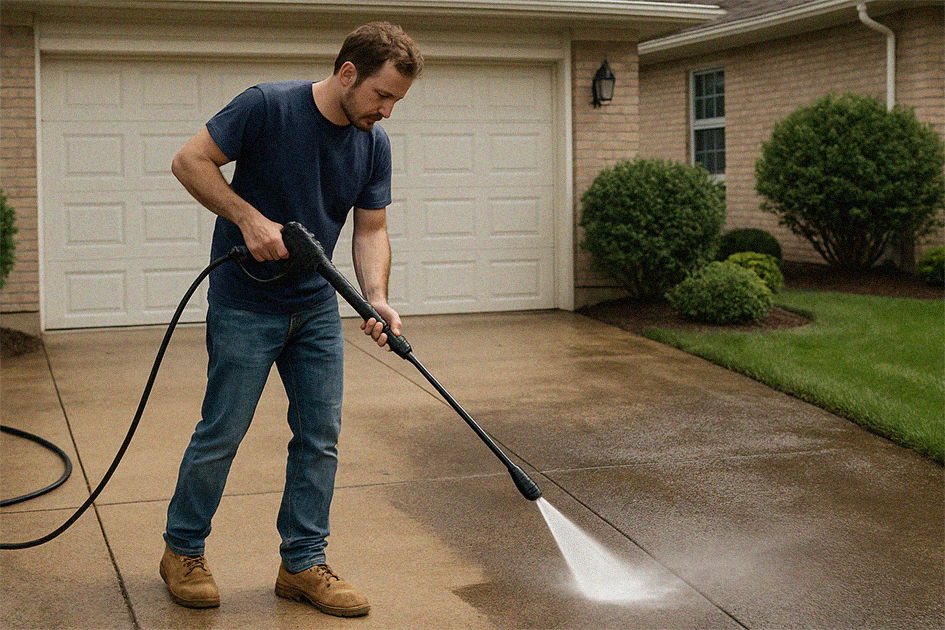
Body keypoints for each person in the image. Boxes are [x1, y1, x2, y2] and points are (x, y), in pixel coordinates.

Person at [158, 22, 423, 618]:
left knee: (320, 439)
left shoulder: (373, 144)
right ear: (348, 72)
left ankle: (301, 563)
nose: (386, 112)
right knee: (221, 432)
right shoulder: (267, 107)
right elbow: (189, 161)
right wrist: (247, 218)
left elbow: (372, 228)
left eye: (396, 102)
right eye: (382, 96)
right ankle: (183, 550)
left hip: (315, 309)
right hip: (245, 303)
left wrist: (376, 297)